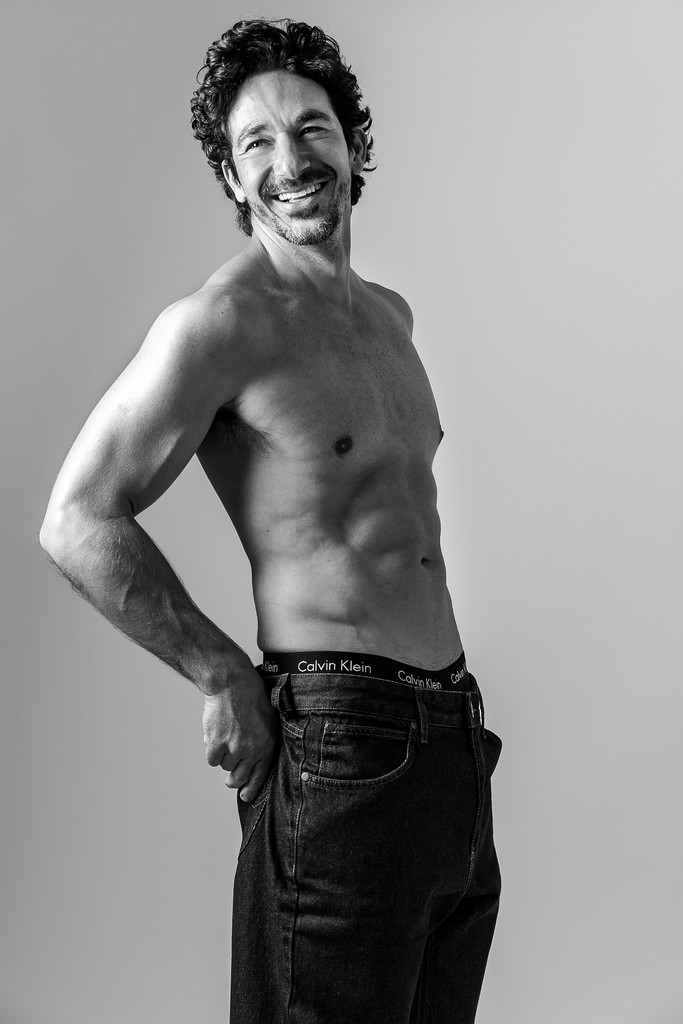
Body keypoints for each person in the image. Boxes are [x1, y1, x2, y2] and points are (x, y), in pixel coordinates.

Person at [40, 18, 502, 1024]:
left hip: (453, 749)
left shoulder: (390, 317)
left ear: (352, 143)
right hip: (341, 750)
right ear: (232, 178)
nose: (290, 162)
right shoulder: (218, 325)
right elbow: (76, 517)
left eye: (311, 129)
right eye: (256, 143)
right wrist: (219, 672)